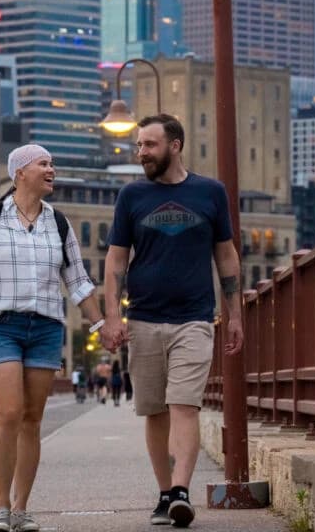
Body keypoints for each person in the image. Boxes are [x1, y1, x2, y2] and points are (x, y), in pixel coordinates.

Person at [102, 114, 244, 528]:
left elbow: (226, 254)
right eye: (139, 145)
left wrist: (234, 314)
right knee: (154, 411)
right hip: (143, 318)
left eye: (149, 145)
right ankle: (164, 493)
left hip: (194, 319)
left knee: (184, 405)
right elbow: (116, 258)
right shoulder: (131, 196)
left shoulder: (210, 193)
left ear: (175, 145)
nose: (141, 152)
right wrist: (113, 315)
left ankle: (181, 491)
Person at [0, 143, 104, 532]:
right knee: (8, 412)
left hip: (46, 328)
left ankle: (22, 508)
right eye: (44, 164)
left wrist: (101, 326)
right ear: (20, 173)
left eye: (52, 163)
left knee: (33, 420)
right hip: (0, 325)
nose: (51, 169)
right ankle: (1, 506)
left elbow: (78, 282)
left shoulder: (59, 223)